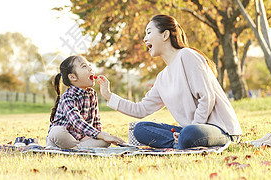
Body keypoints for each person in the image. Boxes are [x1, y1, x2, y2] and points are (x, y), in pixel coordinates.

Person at [98, 14, 242, 149]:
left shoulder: (187, 55)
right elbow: (140, 109)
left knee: (189, 133)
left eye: (149, 32)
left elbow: (207, 97)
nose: (144, 39)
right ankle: (178, 142)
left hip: (221, 130)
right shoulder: (162, 78)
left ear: (165, 35)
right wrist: (109, 96)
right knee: (139, 129)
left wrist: (194, 127)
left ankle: (179, 141)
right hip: (190, 131)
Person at [46, 55, 125, 149]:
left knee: (105, 141)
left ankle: (75, 148)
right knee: (57, 132)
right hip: (63, 137)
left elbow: (96, 123)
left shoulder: (92, 94)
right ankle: (76, 148)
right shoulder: (68, 97)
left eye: (90, 65)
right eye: (84, 66)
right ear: (73, 77)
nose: (90, 69)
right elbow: (77, 121)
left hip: (81, 139)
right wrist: (101, 135)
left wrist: (102, 135)